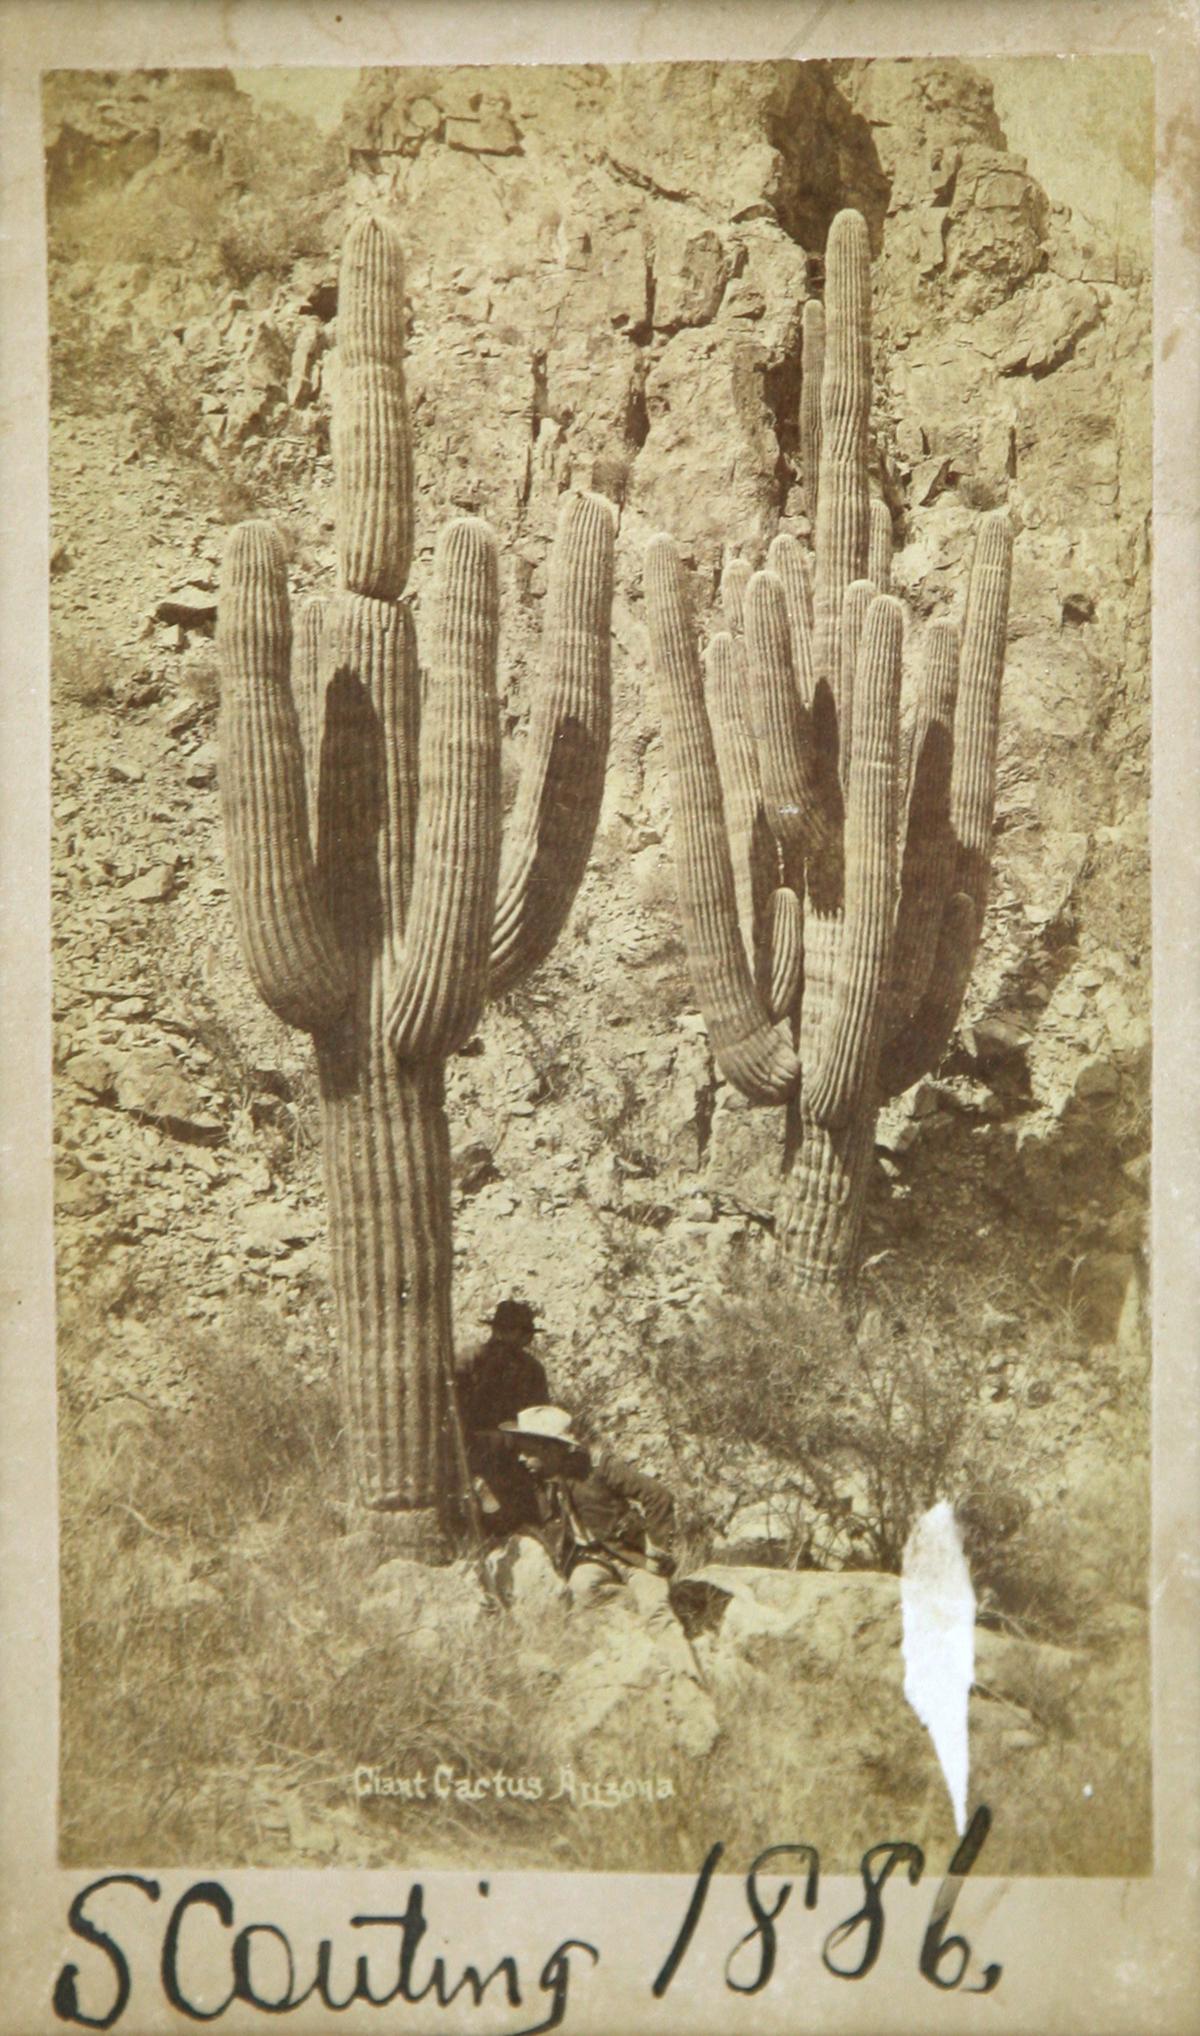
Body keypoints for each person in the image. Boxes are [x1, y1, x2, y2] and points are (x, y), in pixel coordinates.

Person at [494, 1405, 677, 1610]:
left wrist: (658, 1550)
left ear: (550, 1449)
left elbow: (658, 1495)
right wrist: (486, 1499)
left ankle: (662, 1603)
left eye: (528, 1451)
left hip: (634, 1556)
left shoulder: (598, 1468)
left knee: (656, 1610)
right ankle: (632, 1606)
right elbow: (512, 1519)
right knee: (582, 1593)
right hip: (592, 1561)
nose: (520, 1458)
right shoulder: (540, 1483)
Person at [454, 1301, 550, 1535]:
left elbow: (540, 1417)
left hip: (512, 1452)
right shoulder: (470, 1361)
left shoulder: (531, 1369)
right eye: (523, 1333)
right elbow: (453, 1411)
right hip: (475, 1451)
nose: (527, 1340)